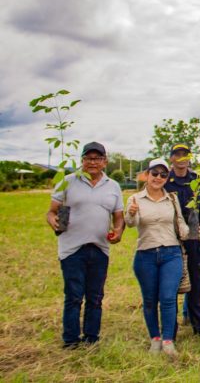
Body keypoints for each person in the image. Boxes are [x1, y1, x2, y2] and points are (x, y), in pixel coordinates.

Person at [46, 142, 124, 348]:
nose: (92, 162)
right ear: (82, 161)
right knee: (73, 295)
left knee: (95, 296)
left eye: (97, 158)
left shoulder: (113, 186)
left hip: (99, 248)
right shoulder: (67, 182)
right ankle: (70, 339)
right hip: (72, 248)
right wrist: (53, 220)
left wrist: (118, 231)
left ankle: (91, 338)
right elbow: (52, 211)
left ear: (105, 162)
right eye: (88, 158)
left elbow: (118, 217)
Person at [125, 158, 189, 358]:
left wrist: (190, 228)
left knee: (168, 298)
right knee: (150, 300)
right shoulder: (135, 199)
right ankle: (155, 338)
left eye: (163, 174)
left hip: (171, 253)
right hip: (146, 254)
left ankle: (168, 340)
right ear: (147, 175)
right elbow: (130, 223)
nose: (158, 178)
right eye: (155, 173)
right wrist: (131, 213)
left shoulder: (172, 198)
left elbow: (180, 222)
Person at [164, 143, 200, 336]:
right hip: (172, 239)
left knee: (195, 284)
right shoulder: (165, 181)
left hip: (193, 238)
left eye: (185, 155)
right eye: (177, 154)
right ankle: (171, 329)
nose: (181, 158)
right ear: (172, 158)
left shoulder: (196, 180)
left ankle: (199, 327)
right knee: (171, 286)